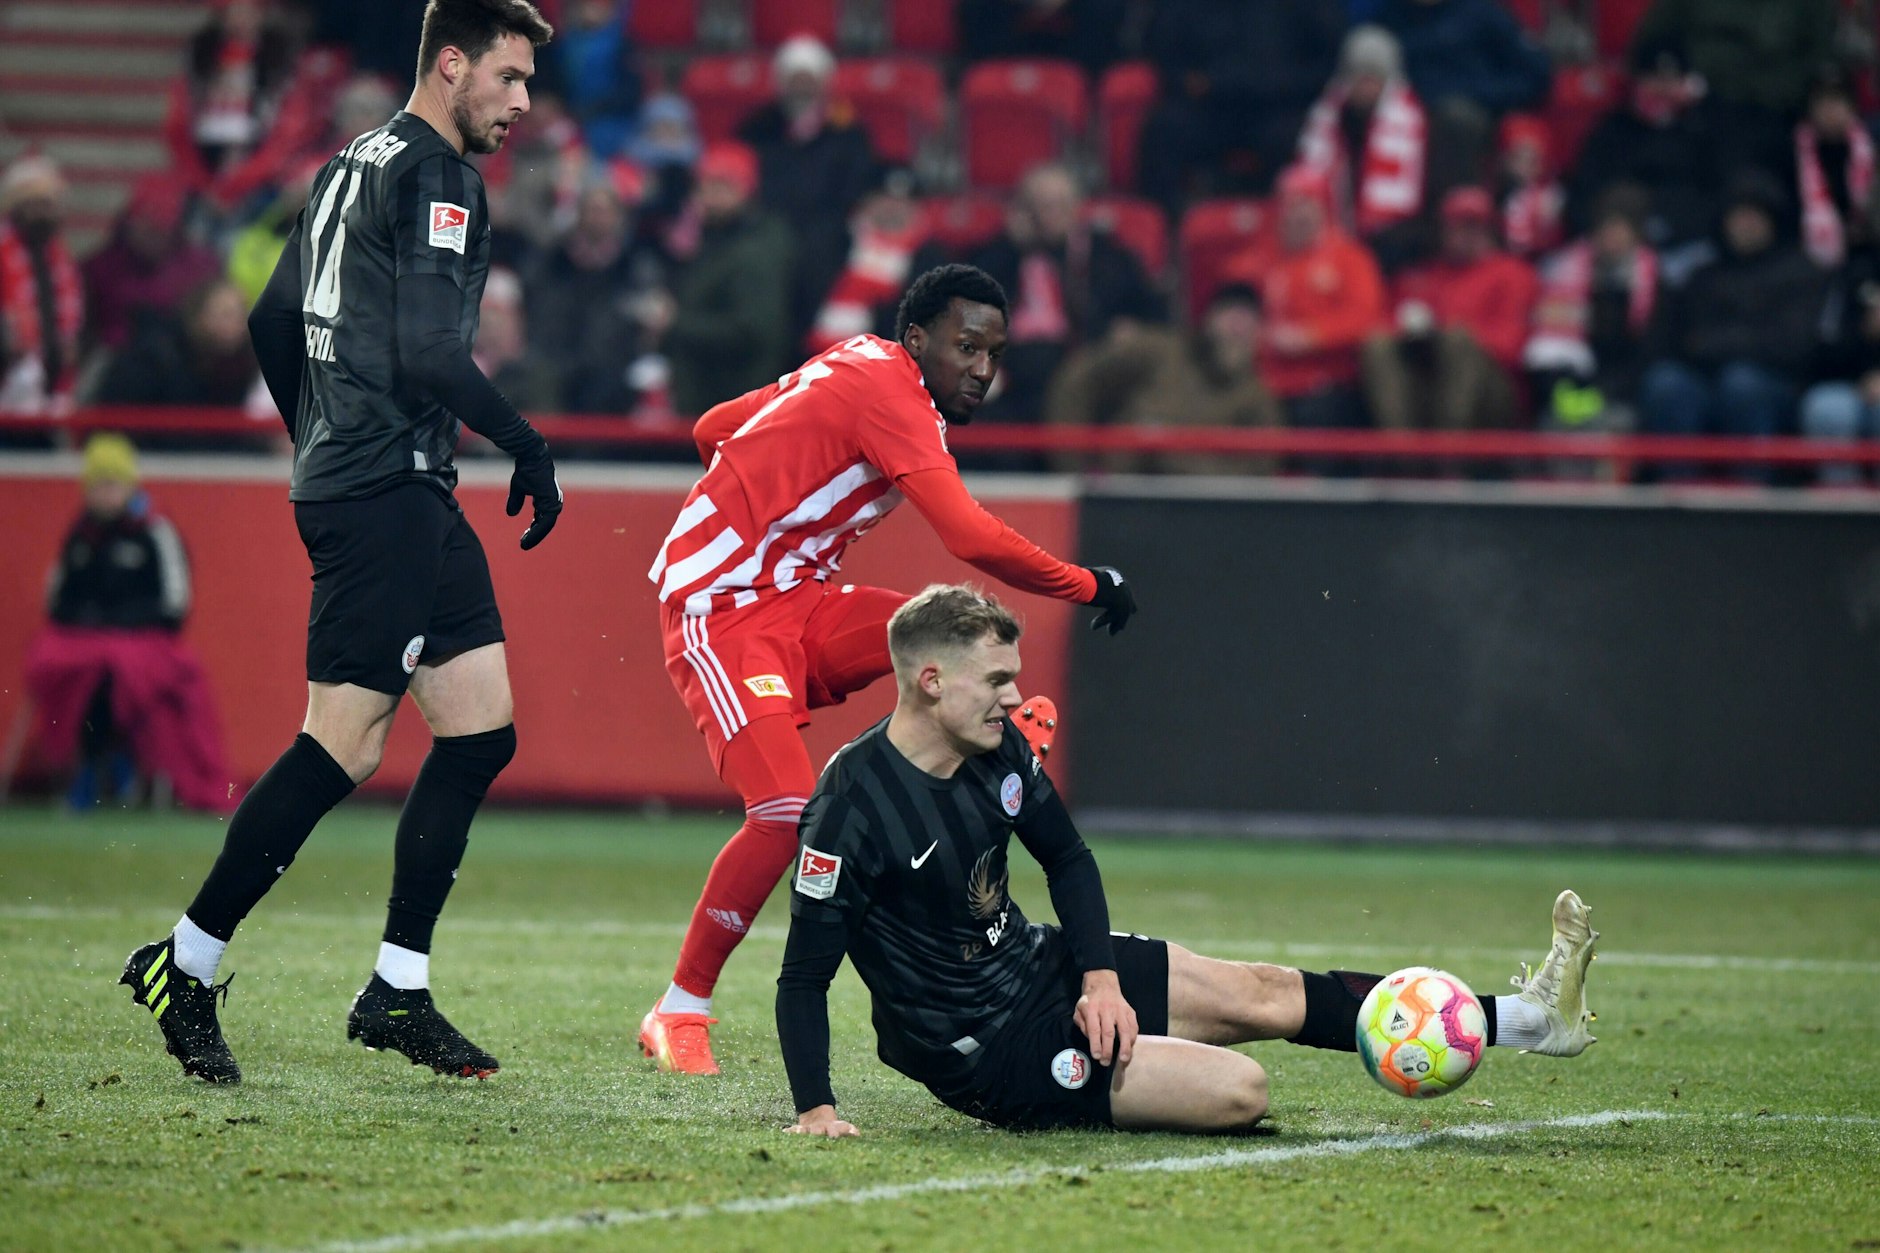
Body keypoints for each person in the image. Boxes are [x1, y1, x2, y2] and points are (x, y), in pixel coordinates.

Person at [118, 0, 564, 1086]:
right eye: (506, 79)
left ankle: (396, 987)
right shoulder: (437, 173)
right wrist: (523, 440)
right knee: (344, 742)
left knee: (479, 728)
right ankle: (184, 959)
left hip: (382, 479)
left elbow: (275, 316)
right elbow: (424, 348)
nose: (520, 104)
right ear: (449, 64)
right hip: (387, 490)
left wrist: (321, 436)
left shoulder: (349, 159)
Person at [777, 584, 1598, 1136]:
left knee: (1266, 993)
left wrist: (1097, 979)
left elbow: (1067, 858)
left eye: (1013, 677)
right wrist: (815, 1106)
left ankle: (1530, 1019)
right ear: (928, 680)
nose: (1010, 695)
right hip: (986, 1049)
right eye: (995, 679)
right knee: (1242, 1088)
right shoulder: (850, 813)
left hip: (1041, 966)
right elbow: (803, 977)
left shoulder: (997, 750)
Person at [638, 264, 1139, 1076]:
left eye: (994, 352)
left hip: (794, 595)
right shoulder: (893, 392)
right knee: (781, 811)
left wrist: (762, 495)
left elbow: (711, 427)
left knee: (941, 637)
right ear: (918, 341)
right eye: (966, 345)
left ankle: (1000, 737)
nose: (982, 367)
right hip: (722, 609)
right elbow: (970, 534)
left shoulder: (858, 358)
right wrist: (1087, 583)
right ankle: (679, 1008)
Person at [23, 434, 234, 813]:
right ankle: (92, 767)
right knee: (70, 667)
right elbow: (58, 602)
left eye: (112, 485)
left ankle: (118, 765)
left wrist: (119, 626)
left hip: (146, 643)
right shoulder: (80, 533)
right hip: (86, 645)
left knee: (119, 671)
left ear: (128, 485)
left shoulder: (155, 530)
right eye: (98, 486)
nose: (105, 494)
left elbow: (174, 605)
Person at [1638, 171, 1825, 477]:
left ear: (1772, 221)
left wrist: (1715, 346)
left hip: (1775, 386)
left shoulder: (1801, 272)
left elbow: (1793, 346)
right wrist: (1718, 347)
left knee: (1741, 384)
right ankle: (1675, 497)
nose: (1745, 224)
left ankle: (1751, 497)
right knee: (1666, 382)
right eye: (1738, 215)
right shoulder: (1703, 276)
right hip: (1705, 380)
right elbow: (1677, 340)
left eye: (1755, 215)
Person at [966, 163, 1165, 432]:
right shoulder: (999, 254)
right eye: (1039, 205)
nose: (1050, 215)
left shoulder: (1106, 256)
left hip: (1082, 362)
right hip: (1010, 368)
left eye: (1059, 205)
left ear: (1077, 208)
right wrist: (1011, 248)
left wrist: (1128, 327)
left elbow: (1150, 310)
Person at [1044, 282, 1285, 475]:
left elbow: (1258, 473)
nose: (1238, 329)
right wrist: (1072, 469)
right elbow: (1077, 381)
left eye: (1248, 320)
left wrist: (1172, 451)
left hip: (1197, 516)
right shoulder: (1159, 351)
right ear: (1209, 318)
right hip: (1116, 496)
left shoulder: (1258, 399)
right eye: (1231, 315)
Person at [737, 35, 881, 344]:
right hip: (768, 230)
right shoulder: (759, 128)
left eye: (809, 79)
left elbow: (855, 188)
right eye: (795, 79)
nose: (802, 87)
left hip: (825, 232)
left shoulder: (847, 131)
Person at [1361, 186, 1538, 432]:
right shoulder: (1426, 276)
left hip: (1491, 392)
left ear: (1489, 230)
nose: (1461, 234)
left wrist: (1448, 335)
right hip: (1429, 383)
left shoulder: (1512, 274)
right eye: (1454, 226)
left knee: (1458, 341)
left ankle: (1450, 457)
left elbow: (1511, 344)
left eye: (1472, 226)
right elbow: (1387, 322)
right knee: (1377, 344)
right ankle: (1402, 456)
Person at [1232, 164, 1387, 435]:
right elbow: (1233, 299)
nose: (1295, 213)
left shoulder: (1349, 258)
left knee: (1317, 415)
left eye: (1304, 203)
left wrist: (1309, 336)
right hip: (1268, 382)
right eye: (1288, 204)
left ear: (1323, 209)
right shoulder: (1263, 259)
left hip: (1328, 381)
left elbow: (1366, 318)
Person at [663, 141, 794, 416]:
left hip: (734, 401)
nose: (708, 198)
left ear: (746, 191)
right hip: (711, 400)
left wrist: (675, 324)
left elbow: (750, 332)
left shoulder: (755, 252)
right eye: (703, 187)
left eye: (721, 187)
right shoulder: (711, 240)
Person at [1296, 25, 1430, 273]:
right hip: (1334, 227)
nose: (1366, 87)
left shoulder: (1414, 126)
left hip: (1388, 237)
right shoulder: (1330, 121)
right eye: (1360, 77)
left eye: (1374, 78)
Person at [0, 156, 82, 418]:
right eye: (32, 204)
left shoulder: (60, 258)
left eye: (47, 205)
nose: (40, 213)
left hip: (49, 382)